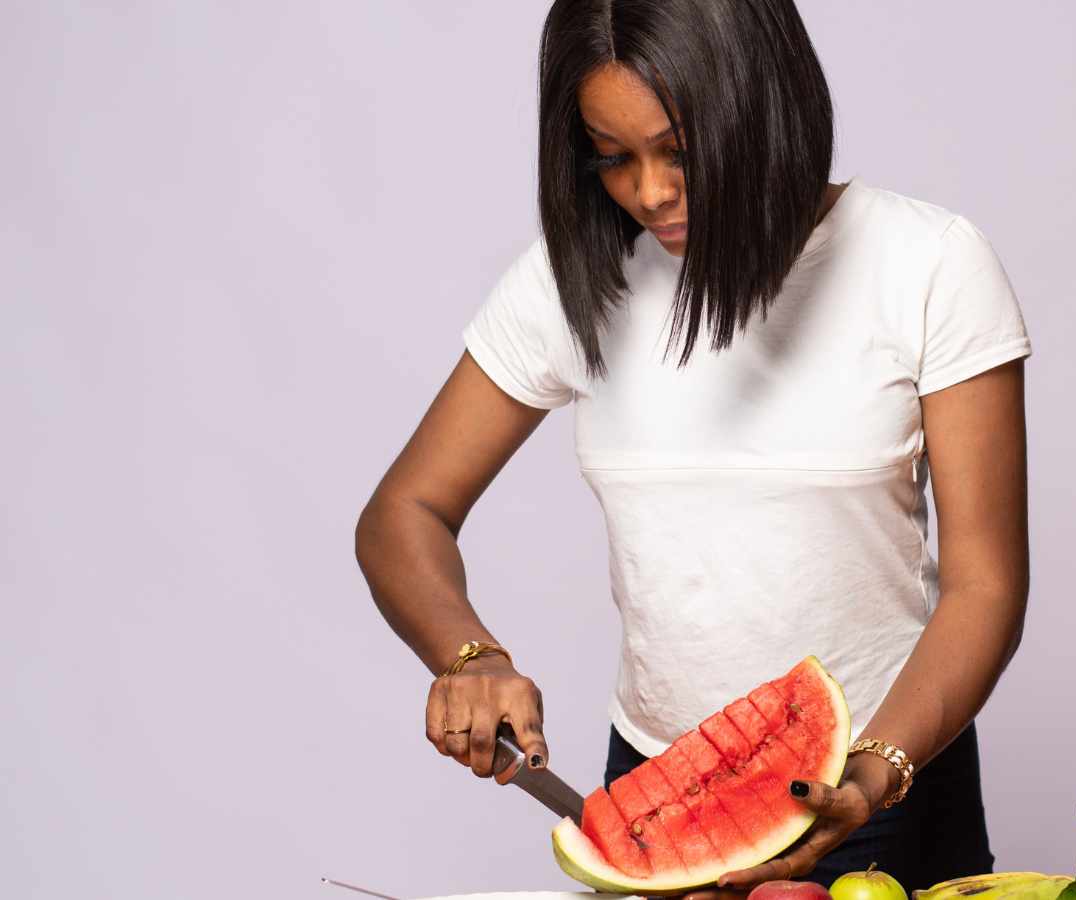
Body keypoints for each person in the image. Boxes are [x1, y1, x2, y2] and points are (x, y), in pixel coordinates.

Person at [355, 0, 1031, 893]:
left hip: (880, 779)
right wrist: (471, 658)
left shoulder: (929, 264)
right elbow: (404, 511)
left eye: (681, 149)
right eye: (613, 156)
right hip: (653, 788)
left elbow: (986, 583)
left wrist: (873, 776)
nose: (649, 191)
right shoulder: (577, 285)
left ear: (767, 108)